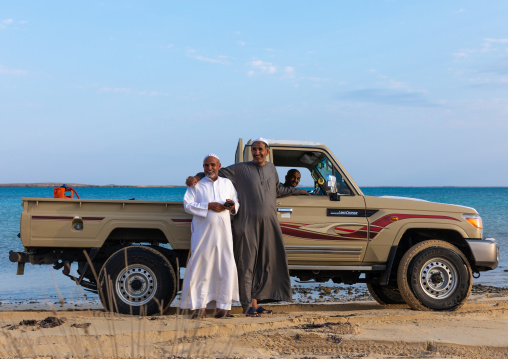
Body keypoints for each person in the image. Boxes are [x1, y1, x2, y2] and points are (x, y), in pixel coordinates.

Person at [186, 138, 309, 317]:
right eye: (254, 149)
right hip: (247, 223)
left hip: (268, 224)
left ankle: (255, 303)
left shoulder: (271, 168)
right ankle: (246, 306)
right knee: (247, 264)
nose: (257, 152)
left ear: (267, 151)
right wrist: (197, 177)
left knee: (262, 263)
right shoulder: (240, 169)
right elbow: (213, 171)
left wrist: (299, 191)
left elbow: (278, 190)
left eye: (260, 149)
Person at [180, 154, 240, 319]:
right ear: (203, 167)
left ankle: (222, 308)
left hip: (224, 235)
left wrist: (232, 206)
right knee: (201, 268)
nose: (209, 168)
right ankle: (200, 308)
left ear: (219, 166)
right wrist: (209, 206)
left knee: (224, 267)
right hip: (202, 235)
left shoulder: (227, 183)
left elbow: (236, 202)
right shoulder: (196, 185)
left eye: (213, 165)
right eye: (206, 165)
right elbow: (188, 205)